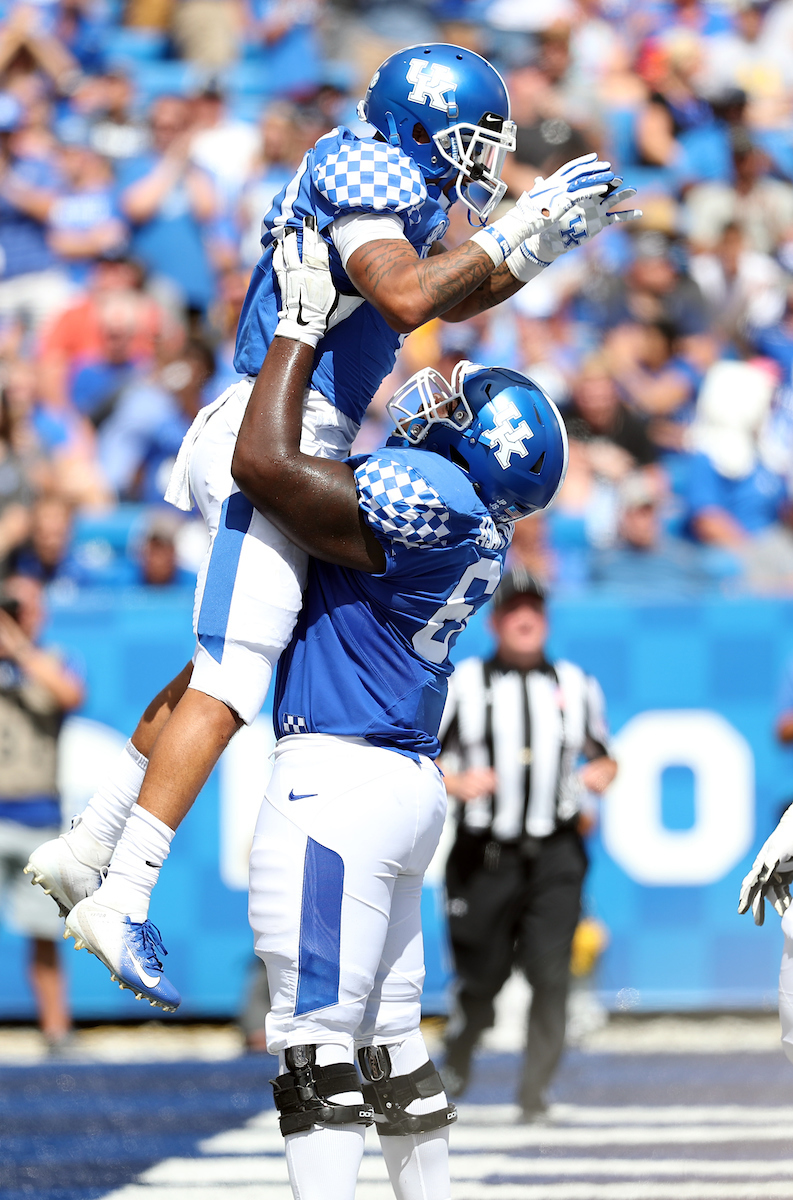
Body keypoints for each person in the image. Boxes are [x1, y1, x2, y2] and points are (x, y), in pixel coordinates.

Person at [28, 43, 637, 1009]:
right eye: (474, 141)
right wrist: (520, 222)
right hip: (271, 428)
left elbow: (449, 293)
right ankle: (123, 894)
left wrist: (538, 246)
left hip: (301, 426)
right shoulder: (364, 166)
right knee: (234, 675)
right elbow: (405, 294)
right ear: (421, 125)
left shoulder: (403, 187)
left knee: (220, 661)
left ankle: (89, 845)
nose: (483, 163)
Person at [239, 223, 567, 1196]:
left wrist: (298, 330)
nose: (436, 401)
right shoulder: (482, 528)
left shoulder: (434, 491)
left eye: (460, 407)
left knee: (313, 1042)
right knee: (389, 1042)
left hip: (337, 778)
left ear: (481, 448)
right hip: (399, 781)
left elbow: (264, 468)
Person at [439, 570, 617, 1119]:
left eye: (534, 609)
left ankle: (536, 1090)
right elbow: (421, 757)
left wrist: (602, 774)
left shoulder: (575, 684)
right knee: (481, 977)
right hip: (485, 853)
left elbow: (604, 755)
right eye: (514, 609)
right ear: (495, 621)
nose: (525, 619)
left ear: (546, 620)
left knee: (552, 975)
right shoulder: (463, 683)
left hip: (555, 853)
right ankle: (461, 1051)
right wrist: (454, 781)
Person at [0, 576, 83, 1052]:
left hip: (34, 815)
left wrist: (18, 649)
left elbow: (69, 695)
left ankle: (56, 1029)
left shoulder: (53, 659)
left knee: (42, 932)